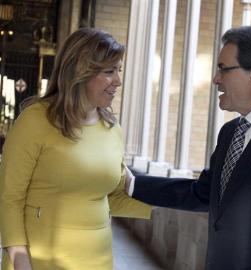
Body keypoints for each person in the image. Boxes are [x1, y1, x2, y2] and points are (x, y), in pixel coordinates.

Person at [126, 26, 251, 270]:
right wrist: (130, 183)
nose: (215, 79)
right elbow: (202, 193)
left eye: (223, 68)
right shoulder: (230, 132)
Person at [0, 27, 151, 270]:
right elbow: (9, 197)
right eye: (109, 71)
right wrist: (19, 258)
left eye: (119, 71)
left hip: (96, 259)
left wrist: (180, 198)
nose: (118, 81)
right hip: (38, 259)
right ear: (81, 71)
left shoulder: (112, 129)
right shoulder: (35, 121)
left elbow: (112, 196)